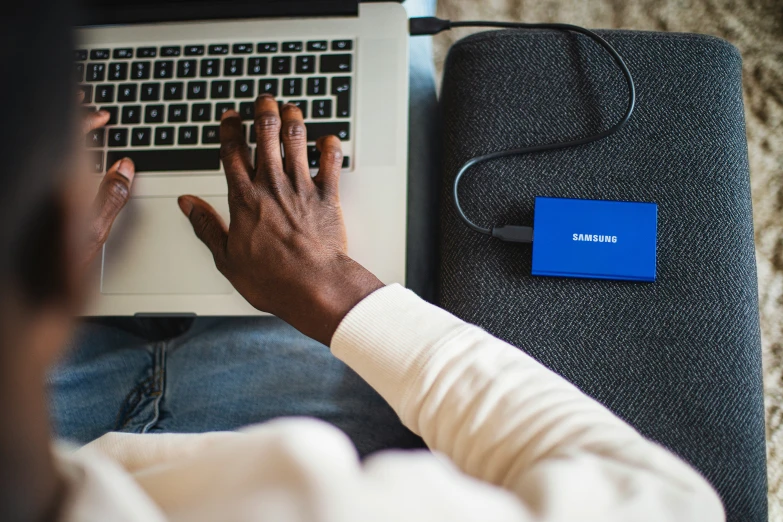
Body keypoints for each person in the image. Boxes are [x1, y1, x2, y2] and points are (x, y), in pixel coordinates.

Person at [1, 2, 724, 521]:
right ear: (57, 256)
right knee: (386, 59)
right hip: (285, 369)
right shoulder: (337, 503)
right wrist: (337, 286)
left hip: (37, 394)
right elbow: (666, 501)